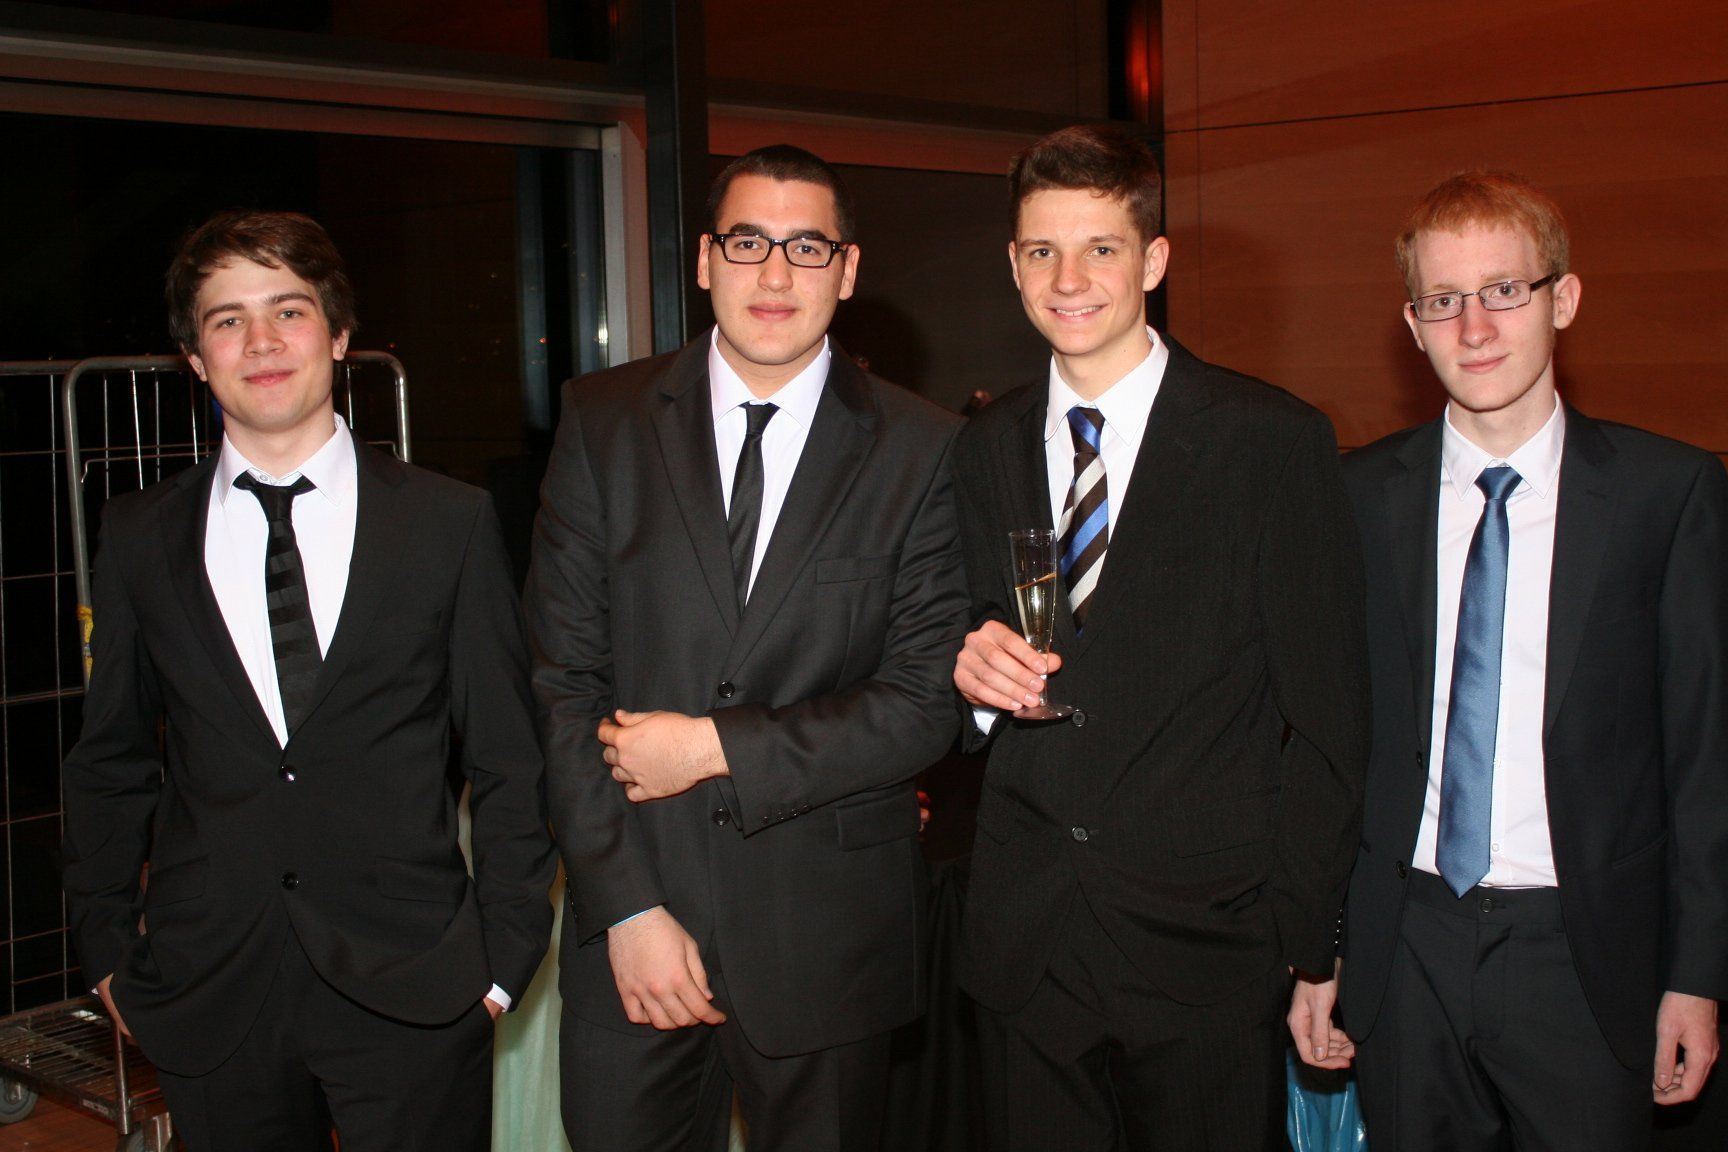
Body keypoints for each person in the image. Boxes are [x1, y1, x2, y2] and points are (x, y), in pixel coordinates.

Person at [60, 210, 556, 1152]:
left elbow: (509, 755)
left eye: (288, 310)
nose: (262, 341)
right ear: (195, 358)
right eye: (228, 320)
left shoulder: (445, 524)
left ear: (337, 335)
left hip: (417, 985)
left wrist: (502, 960)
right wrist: (109, 958)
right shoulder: (139, 536)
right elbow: (109, 763)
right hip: (211, 991)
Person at [524, 144, 970, 1152]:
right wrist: (625, 909)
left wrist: (712, 746)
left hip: (827, 942)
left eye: (807, 247)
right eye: (748, 242)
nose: (775, 274)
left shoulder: (925, 447)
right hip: (635, 931)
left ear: (847, 272)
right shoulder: (603, 421)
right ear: (703, 259)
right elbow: (560, 684)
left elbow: (922, 704)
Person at [952, 122, 1370, 1150]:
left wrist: (1308, 941)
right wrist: (969, 683)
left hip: (1208, 946)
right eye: (1043, 250)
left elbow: (1329, 720)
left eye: (1101, 248)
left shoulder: (1272, 443)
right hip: (1026, 942)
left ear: (1154, 260)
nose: (1069, 279)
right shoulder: (981, 444)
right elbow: (949, 655)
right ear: (1013, 265)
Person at [1289, 170, 1727, 1149]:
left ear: (1563, 299)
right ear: (1412, 325)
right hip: (1406, 948)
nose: (1475, 328)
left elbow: (1707, 761)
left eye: (1503, 290)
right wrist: (1319, 949)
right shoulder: (1355, 498)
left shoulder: (1668, 496)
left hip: (1587, 957)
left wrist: (1698, 975)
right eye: (1444, 300)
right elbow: (1325, 743)